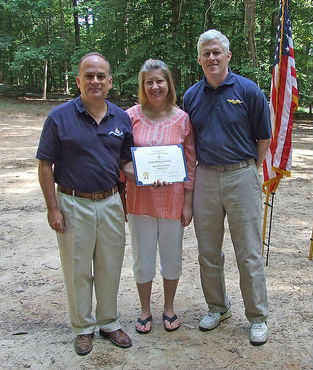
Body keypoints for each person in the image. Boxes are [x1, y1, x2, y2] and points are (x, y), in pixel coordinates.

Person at [36, 52, 134, 355]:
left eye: (100, 76)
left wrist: (153, 175)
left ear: (110, 81)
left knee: (110, 266)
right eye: (88, 76)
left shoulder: (121, 118)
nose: (95, 81)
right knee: (78, 268)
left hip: (110, 202)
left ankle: (109, 322)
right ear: (78, 81)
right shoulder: (59, 117)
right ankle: (83, 327)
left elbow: (126, 164)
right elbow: (44, 166)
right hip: (72, 202)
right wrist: (53, 208)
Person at [183, 29, 271, 345]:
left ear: (228, 56)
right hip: (205, 177)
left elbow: (263, 138)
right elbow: (188, 142)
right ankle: (218, 308)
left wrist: (249, 170)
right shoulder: (191, 96)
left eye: (217, 52)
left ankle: (258, 316)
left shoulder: (249, 91)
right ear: (199, 59)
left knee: (248, 252)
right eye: (206, 53)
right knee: (208, 251)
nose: (212, 58)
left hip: (241, 176)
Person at [123, 59, 196, 334]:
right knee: (142, 259)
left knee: (172, 257)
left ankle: (168, 307)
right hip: (139, 200)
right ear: (143, 86)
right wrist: (140, 173)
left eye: (160, 81)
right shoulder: (128, 117)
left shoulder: (182, 119)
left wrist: (188, 202)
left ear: (169, 84)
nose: (155, 86)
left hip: (173, 200)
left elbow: (190, 162)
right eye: (149, 82)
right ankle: (144, 309)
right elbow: (120, 160)